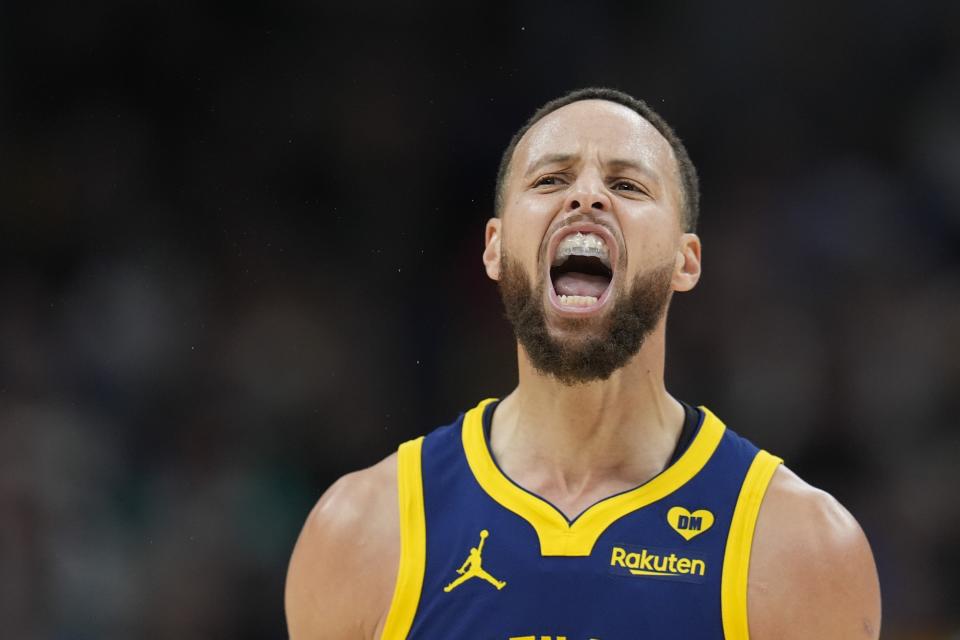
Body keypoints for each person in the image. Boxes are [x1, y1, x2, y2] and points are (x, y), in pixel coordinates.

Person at [284, 87, 882, 639]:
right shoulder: (362, 530)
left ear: (686, 260)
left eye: (628, 186)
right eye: (550, 179)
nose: (586, 194)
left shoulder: (800, 548)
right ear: (494, 247)